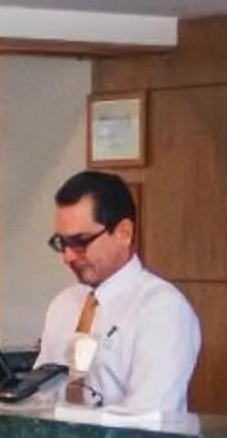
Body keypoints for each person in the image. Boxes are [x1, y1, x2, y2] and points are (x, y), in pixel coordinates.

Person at [32, 169, 202, 415]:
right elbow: (40, 395)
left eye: (80, 242)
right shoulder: (64, 304)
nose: (67, 257)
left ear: (123, 233)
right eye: (62, 243)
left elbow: (148, 415)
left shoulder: (162, 309)